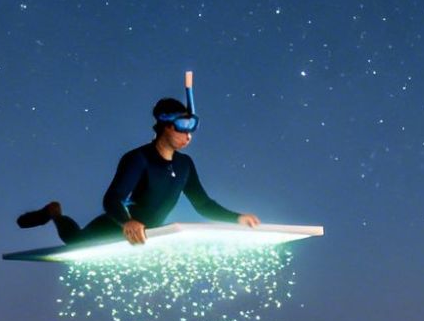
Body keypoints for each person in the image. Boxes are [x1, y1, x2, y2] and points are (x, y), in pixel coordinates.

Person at [16, 88, 260, 246]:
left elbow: (203, 204)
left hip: (150, 232)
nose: (188, 137)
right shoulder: (138, 158)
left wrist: (236, 218)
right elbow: (112, 198)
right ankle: (54, 213)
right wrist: (127, 223)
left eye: (192, 130)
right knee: (75, 241)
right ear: (165, 126)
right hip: (119, 225)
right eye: (182, 128)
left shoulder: (185, 164)